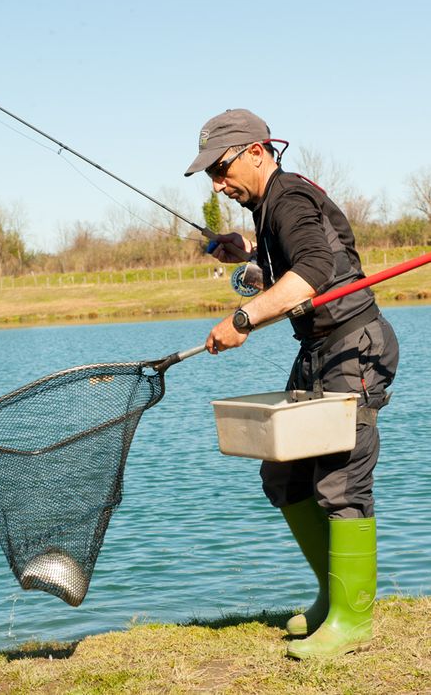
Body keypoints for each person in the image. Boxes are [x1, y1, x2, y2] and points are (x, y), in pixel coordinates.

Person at [184, 109, 399, 660]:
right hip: (317, 351)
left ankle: (354, 619)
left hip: (353, 348)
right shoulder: (271, 206)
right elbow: (294, 269)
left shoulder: (288, 198)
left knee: (341, 482)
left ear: (258, 150)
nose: (217, 183)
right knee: (283, 470)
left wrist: (242, 319)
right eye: (210, 173)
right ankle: (332, 598)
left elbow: (313, 272)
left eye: (222, 168)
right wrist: (251, 258)